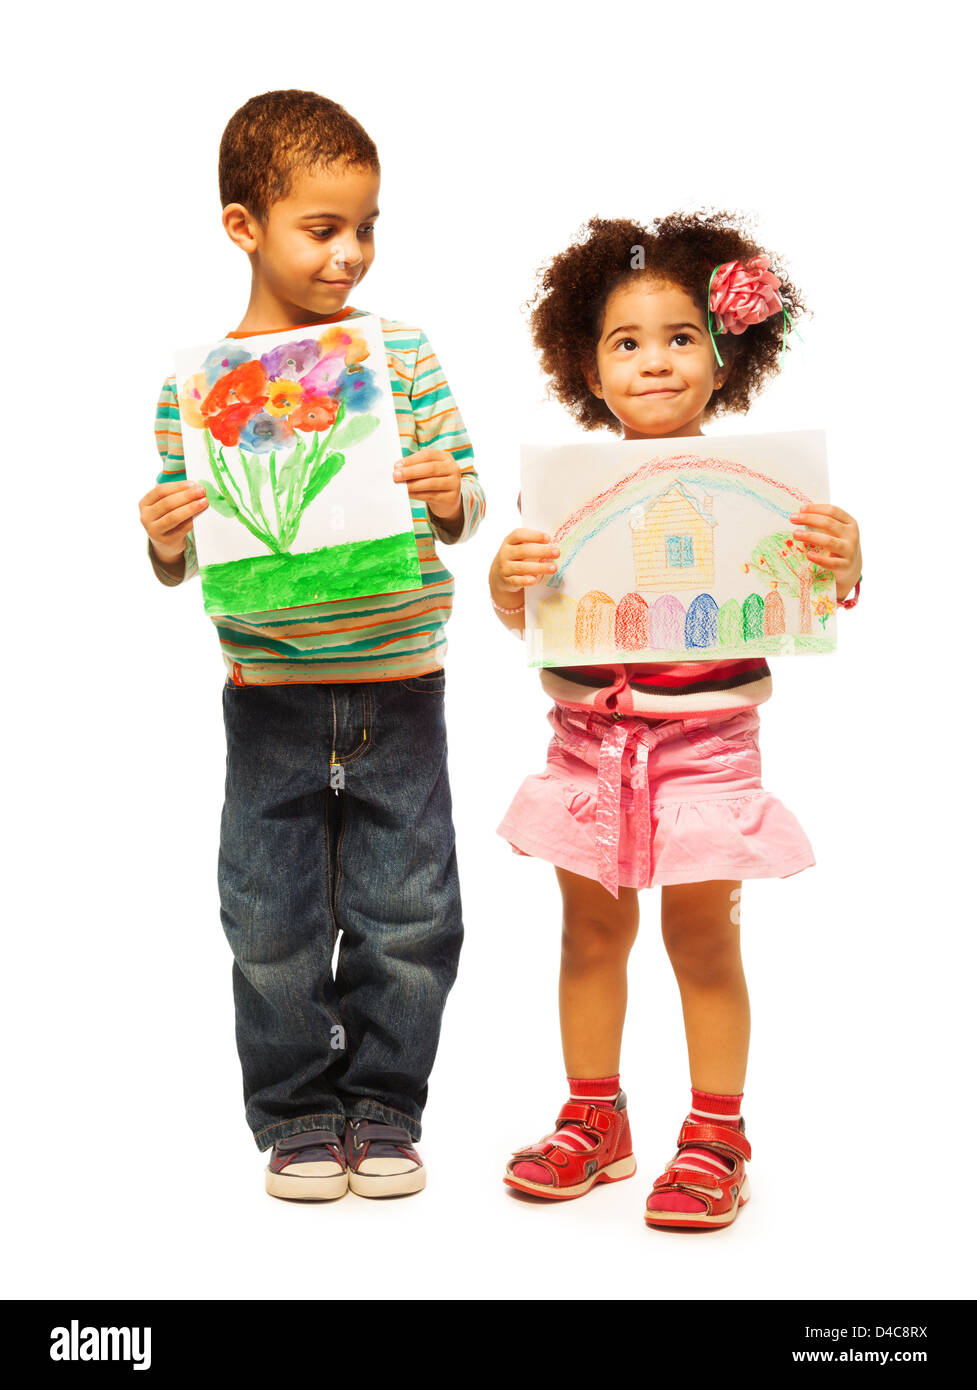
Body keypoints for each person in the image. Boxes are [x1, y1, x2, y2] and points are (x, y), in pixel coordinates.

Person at [139, 90, 485, 1202]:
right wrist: (158, 540)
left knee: (410, 911)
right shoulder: (195, 386)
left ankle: (386, 1106)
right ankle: (293, 1116)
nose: (351, 253)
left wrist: (450, 497)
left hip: (400, 683)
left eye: (367, 225)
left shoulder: (403, 353)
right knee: (269, 916)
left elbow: (463, 498)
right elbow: (183, 553)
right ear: (244, 224)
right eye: (322, 227)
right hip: (271, 695)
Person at [489, 212, 861, 1229]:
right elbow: (522, 613)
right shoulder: (558, 488)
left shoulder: (765, 492)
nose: (653, 361)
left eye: (679, 337)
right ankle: (594, 1117)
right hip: (584, 745)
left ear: (721, 357)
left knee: (702, 941)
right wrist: (505, 577)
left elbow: (820, 594)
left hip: (705, 750)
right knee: (588, 936)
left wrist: (842, 557)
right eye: (625, 342)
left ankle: (714, 1132)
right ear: (588, 369)